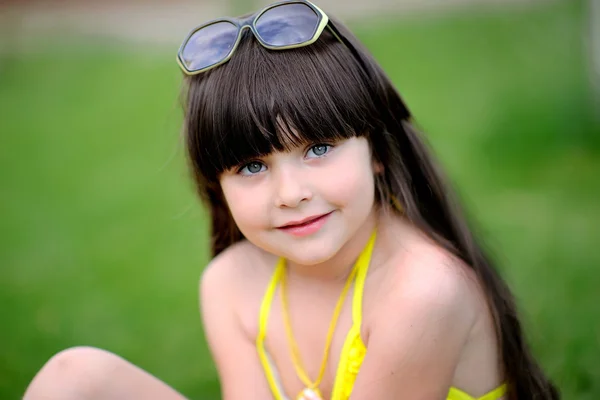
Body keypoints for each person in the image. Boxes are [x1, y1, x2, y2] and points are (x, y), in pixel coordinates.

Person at [24, 1, 559, 399]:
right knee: (75, 377)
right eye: (253, 166)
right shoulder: (233, 283)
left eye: (319, 148)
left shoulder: (422, 293)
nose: (291, 193)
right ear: (218, 184)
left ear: (375, 147)